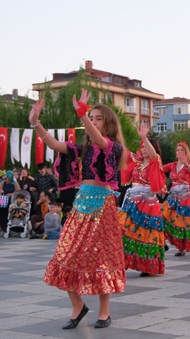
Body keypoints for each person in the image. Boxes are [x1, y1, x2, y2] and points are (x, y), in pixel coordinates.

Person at [34, 89, 126, 329]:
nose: (92, 122)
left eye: (98, 118)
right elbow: (54, 143)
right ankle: (78, 305)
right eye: (91, 118)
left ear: (109, 123)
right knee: (65, 255)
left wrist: (82, 114)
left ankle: (104, 312)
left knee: (101, 258)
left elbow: (99, 140)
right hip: (80, 207)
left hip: (102, 208)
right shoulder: (81, 149)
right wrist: (36, 123)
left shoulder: (113, 148)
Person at [119, 123, 168, 277]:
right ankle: (125, 261)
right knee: (124, 231)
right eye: (142, 146)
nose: (143, 148)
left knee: (145, 233)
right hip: (132, 202)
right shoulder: (136, 162)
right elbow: (121, 150)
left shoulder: (155, 161)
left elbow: (153, 155)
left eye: (146, 146)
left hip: (148, 203)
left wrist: (144, 137)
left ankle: (146, 265)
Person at [161, 142, 190, 257]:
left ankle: (181, 248)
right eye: (177, 150)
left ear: (186, 153)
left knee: (182, 223)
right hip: (173, 196)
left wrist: (186, 164)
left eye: (181, 150)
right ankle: (162, 241)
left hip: (185, 198)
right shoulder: (172, 165)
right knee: (162, 215)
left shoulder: (189, 165)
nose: (179, 152)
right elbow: (160, 168)